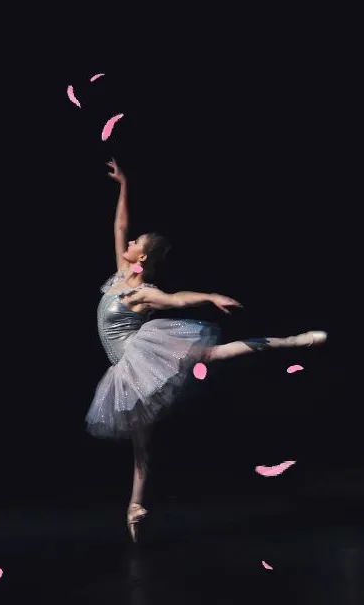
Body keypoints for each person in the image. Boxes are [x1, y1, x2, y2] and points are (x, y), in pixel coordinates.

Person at [85, 160, 327, 542]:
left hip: (140, 357)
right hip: (124, 367)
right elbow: (119, 225)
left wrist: (209, 296)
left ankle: (291, 341)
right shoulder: (119, 274)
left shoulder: (141, 292)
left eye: (135, 245)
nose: (129, 244)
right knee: (141, 443)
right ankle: (136, 506)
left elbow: (177, 299)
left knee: (214, 356)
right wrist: (124, 184)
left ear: (142, 259)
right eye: (131, 243)